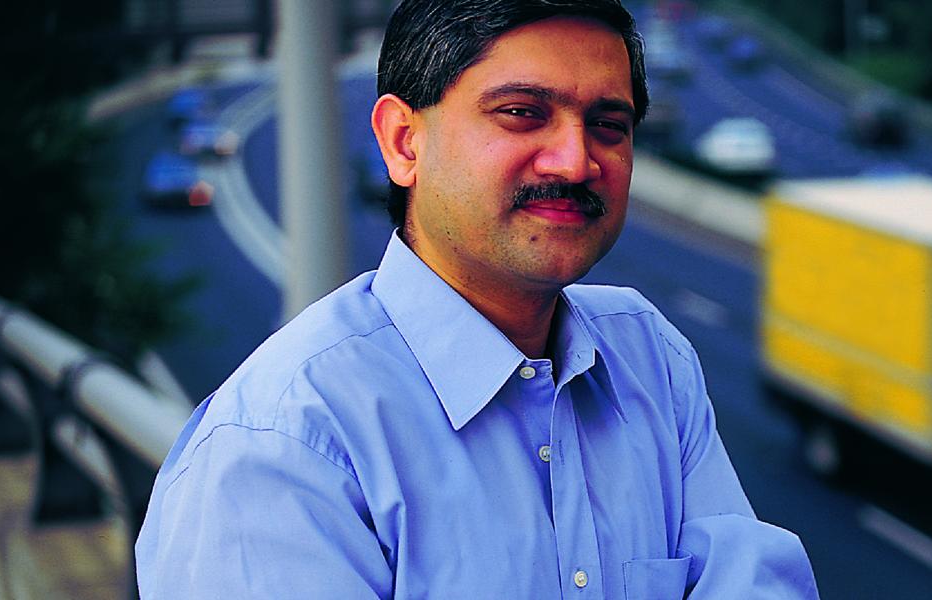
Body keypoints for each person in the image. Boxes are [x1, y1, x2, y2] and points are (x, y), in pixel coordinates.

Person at [135, 0, 819, 597]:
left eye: (608, 124)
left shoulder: (651, 359)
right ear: (403, 143)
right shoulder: (284, 448)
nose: (576, 161)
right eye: (523, 114)